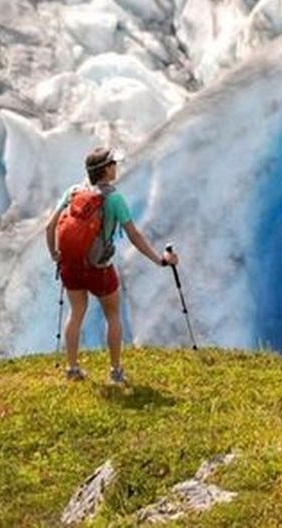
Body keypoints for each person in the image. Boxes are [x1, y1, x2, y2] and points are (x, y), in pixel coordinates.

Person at [46, 146, 174, 386]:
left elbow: (50, 226)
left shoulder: (73, 192)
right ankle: (115, 373)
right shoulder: (113, 199)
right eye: (113, 163)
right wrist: (159, 260)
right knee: (113, 316)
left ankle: (72, 369)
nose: (116, 166)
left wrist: (55, 255)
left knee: (75, 314)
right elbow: (134, 235)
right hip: (100, 268)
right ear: (105, 170)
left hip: (71, 266)